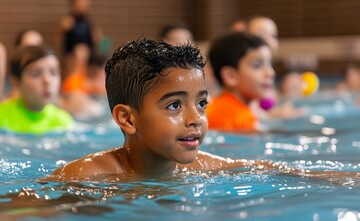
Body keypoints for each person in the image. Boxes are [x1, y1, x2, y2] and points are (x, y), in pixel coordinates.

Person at [41, 37, 360, 183]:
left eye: (202, 103)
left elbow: (275, 170)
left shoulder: (202, 167)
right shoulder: (88, 176)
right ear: (127, 118)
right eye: (175, 105)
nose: (196, 118)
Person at [206, 32, 274, 132]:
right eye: (257, 65)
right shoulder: (239, 118)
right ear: (231, 76)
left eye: (270, 64)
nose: (270, 72)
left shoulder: (220, 107)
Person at [0, 45, 73, 134]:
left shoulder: (62, 122)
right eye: (36, 74)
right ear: (16, 82)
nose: (47, 81)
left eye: (53, 72)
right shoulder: (2, 116)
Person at [56, 0, 103, 77]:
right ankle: (75, 78)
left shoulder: (89, 23)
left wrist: (99, 40)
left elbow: (100, 41)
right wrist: (61, 29)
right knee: (81, 51)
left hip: (88, 55)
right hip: (72, 55)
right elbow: (58, 39)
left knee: (104, 47)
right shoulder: (68, 20)